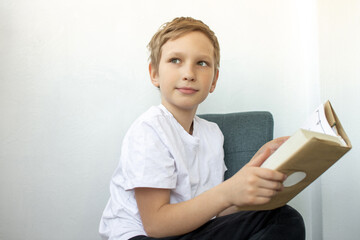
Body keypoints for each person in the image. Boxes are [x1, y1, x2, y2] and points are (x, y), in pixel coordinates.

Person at [99, 17, 305, 240]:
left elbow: (214, 213)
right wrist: (228, 191)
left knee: (280, 216)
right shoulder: (149, 130)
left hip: (190, 231)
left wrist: (253, 176)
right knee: (281, 219)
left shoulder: (212, 134)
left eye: (202, 63)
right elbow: (156, 225)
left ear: (214, 79)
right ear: (154, 74)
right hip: (143, 236)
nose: (188, 73)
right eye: (175, 60)